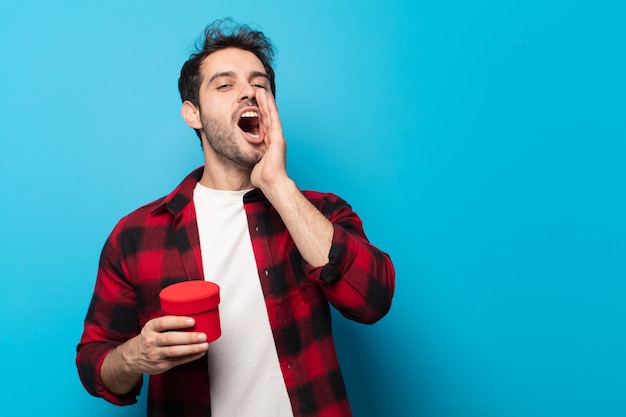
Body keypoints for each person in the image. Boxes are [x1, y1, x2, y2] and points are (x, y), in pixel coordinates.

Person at [76, 18, 395, 417]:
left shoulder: (321, 212)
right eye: (225, 85)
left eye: (259, 84)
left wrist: (278, 186)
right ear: (193, 114)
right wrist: (134, 357)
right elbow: (94, 362)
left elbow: (372, 301)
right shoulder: (136, 235)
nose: (248, 92)